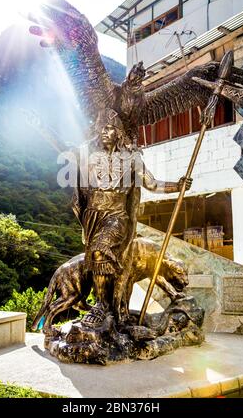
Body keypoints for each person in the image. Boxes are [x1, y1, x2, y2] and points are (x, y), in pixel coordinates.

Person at [72, 108, 192, 326]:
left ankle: (101, 306)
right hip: (93, 218)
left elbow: (152, 184)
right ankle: (108, 306)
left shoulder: (131, 159)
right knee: (96, 260)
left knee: (100, 250)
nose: (104, 133)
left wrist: (178, 185)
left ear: (118, 132)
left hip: (117, 216)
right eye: (102, 129)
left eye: (109, 128)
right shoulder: (90, 158)